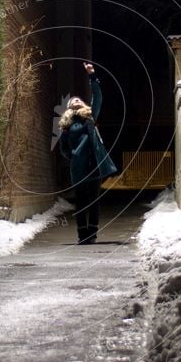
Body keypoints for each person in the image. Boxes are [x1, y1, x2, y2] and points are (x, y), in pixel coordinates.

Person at [58, 63, 118, 244]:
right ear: (69, 108)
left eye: (79, 100)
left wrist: (92, 76)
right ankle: (81, 235)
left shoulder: (90, 118)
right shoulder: (67, 126)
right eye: (73, 101)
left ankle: (92, 234)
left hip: (93, 165)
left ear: (83, 105)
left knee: (93, 201)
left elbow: (98, 97)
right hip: (78, 167)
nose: (77, 101)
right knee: (81, 201)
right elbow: (63, 147)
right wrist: (73, 156)